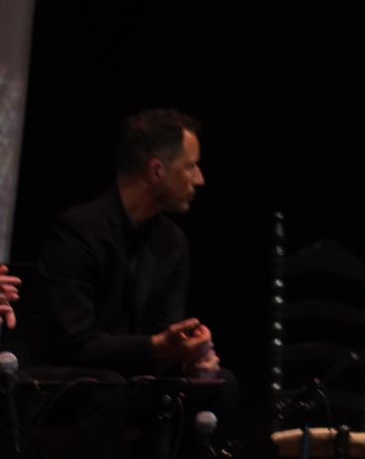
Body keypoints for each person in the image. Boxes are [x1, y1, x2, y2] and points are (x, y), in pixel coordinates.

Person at [24, 108, 236, 458]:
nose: (199, 180)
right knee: (108, 391)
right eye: (190, 166)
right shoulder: (78, 231)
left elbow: (164, 333)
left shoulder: (172, 243)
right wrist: (156, 347)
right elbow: (73, 343)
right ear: (156, 171)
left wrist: (190, 356)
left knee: (222, 385)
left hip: (132, 381)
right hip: (66, 384)